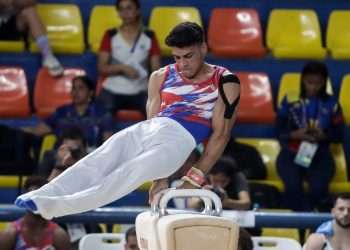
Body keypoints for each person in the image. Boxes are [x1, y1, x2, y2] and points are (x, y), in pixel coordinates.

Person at [14, 22, 240, 220]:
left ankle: (55, 206)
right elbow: (153, 122)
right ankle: (43, 194)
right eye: (177, 57)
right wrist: (159, 179)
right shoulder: (160, 76)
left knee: (125, 175)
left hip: (178, 143)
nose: (182, 65)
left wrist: (193, 178)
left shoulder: (224, 81)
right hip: (149, 130)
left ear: (203, 48)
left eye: (188, 56)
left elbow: (220, 136)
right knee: (99, 159)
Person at [276, 61, 344, 211]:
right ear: (303, 80)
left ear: (324, 82)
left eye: (318, 83)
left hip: (320, 154)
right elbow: (278, 130)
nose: (313, 87)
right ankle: (295, 228)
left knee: (319, 188)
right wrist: (295, 134)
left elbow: (339, 135)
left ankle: (316, 228)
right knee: (293, 186)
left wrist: (324, 136)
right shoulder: (290, 99)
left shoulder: (332, 104)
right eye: (309, 82)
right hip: (291, 152)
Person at [97, 0, 161, 115]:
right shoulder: (110, 35)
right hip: (112, 89)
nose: (125, 13)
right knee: (100, 116)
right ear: (118, 13)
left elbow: (156, 69)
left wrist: (151, 89)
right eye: (121, 9)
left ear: (137, 11)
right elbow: (102, 68)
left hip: (140, 90)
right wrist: (122, 68)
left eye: (129, 8)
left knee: (157, 112)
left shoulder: (149, 36)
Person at [22, 76, 114, 150]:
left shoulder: (101, 113)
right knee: (48, 158)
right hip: (61, 157)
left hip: (88, 158)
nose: (75, 92)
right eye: (73, 88)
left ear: (90, 93)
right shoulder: (62, 112)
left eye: (80, 88)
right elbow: (38, 131)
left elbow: (108, 142)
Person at [0, 176, 70, 250]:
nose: (36, 202)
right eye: (33, 197)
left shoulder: (58, 235)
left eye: (40, 197)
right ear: (25, 199)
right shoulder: (10, 233)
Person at [0, 0, 63, 76]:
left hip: (11, 24)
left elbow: (32, 2)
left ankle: (48, 56)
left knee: (30, 11)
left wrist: (13, 2)